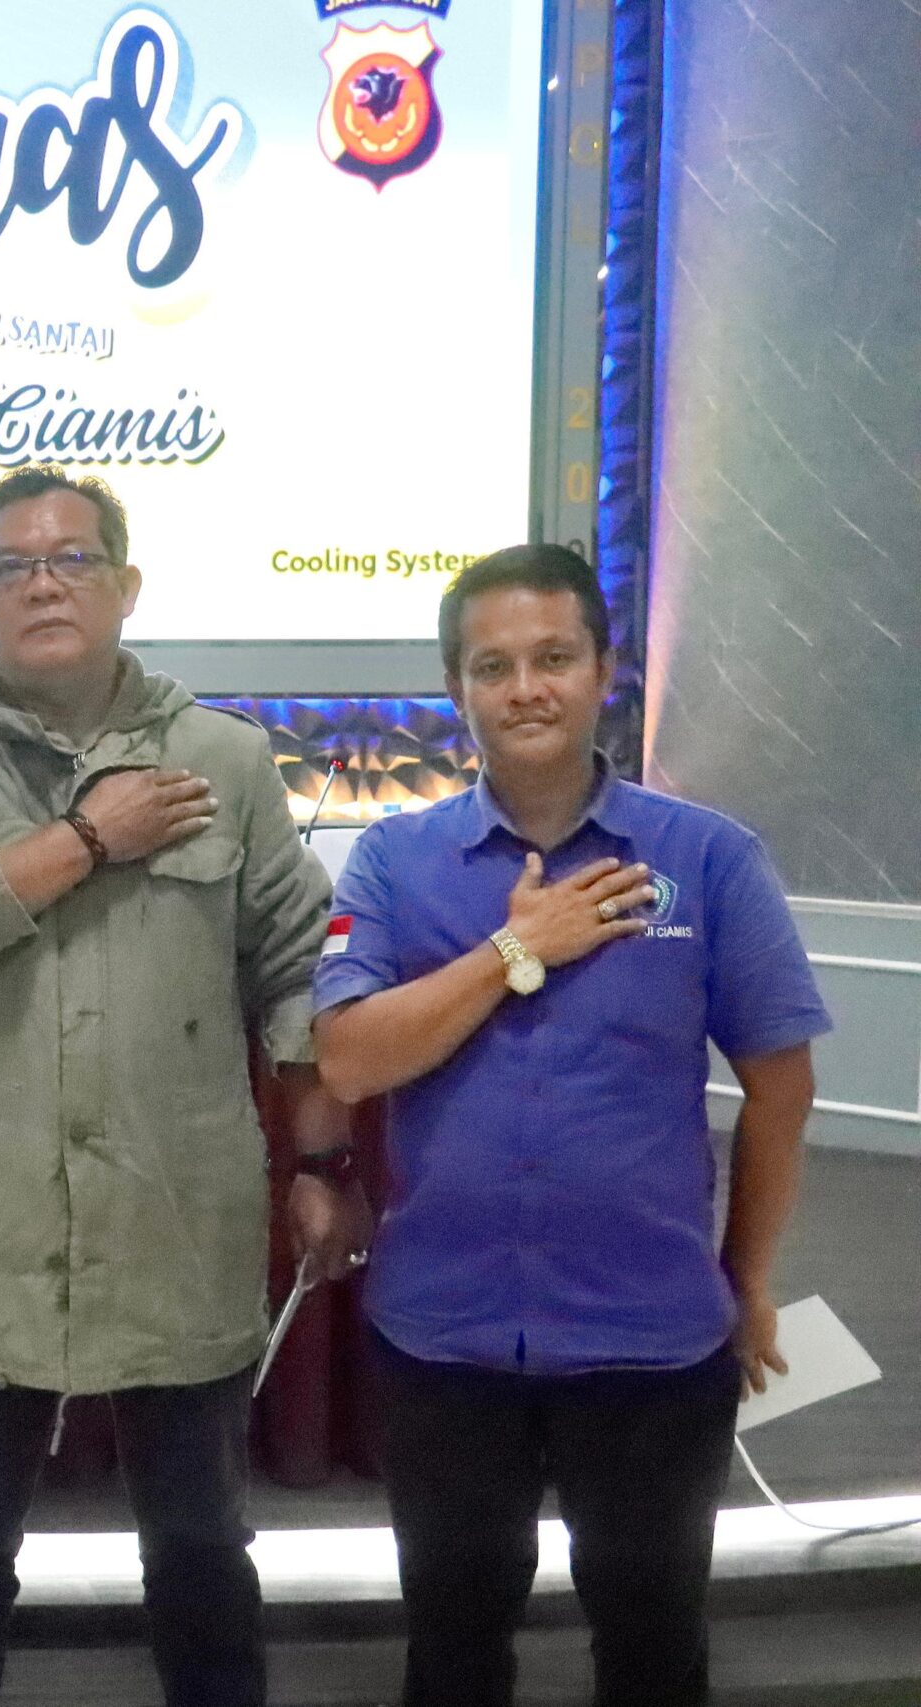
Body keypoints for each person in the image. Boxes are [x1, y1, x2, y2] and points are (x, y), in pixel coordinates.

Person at [0, 466, 360, 1707]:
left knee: (199, 1543)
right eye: (12, 567)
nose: (44, 585)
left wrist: (323, 1161)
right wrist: (83, 841)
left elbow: (293, 976)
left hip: (175, 1217)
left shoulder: (224, 759)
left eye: (72, 559)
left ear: (126, 585)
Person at [313, 544, 829, 1707]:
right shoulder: (393, 861)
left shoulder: (706, 859)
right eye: (491, 666)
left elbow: (781, 1089)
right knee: (452, 1652)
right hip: (443, 1337)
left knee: (652, 1650)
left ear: (604, 671)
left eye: (552, 659)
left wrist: (747, 1278)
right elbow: (346, 1058)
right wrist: (516, 949)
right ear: (457, 689)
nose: (524, 689)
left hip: (650, 1340)